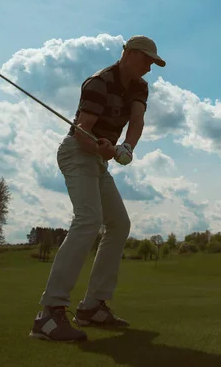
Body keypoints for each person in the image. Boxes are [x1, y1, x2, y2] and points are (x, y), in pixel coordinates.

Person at [29, 35, 166, 342]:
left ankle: (92, 306)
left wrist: (126, 148)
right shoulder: (99, 83)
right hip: (76, 152)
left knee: (119, 224)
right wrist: (102, 149)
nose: (150, 68)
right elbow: (82, 134)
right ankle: (48, 314)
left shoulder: (140, 87)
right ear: (130, 54)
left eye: (153, 63)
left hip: (97, 159)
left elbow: (137, 120)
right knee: (89, 219)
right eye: (147, 61)